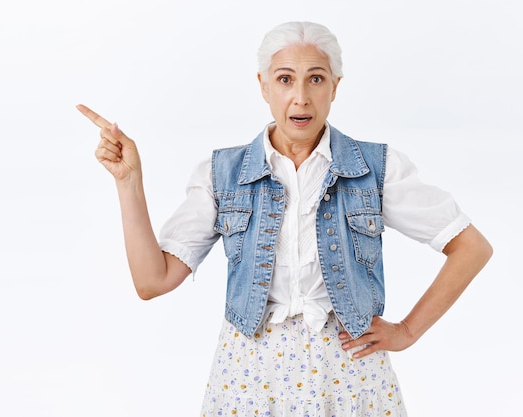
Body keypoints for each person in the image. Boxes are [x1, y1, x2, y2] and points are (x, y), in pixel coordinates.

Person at [77, 21, 492, 417]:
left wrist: (407, 331)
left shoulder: (376, 169)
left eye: (315, 78)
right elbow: (153, 281)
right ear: (262, 86)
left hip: (349, 376)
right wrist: (129, 183)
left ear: (335, 87)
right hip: (249, 380)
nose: (301, 97)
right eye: (284, 79)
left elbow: (471, 247)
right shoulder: (222, 174)